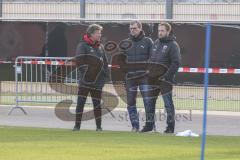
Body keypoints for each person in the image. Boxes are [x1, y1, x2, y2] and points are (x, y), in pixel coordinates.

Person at [73, 24, 109, 131]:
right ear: (92, 33)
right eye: (98, 33)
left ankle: (99, 127)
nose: (100, 35)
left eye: (100, 33)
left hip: (98, 82)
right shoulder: (82, 46)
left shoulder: (100, 47)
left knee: (97, 104)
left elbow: (105, 63)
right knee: (80, 103)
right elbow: (80, 62)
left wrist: (104, 76)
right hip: (85, 81)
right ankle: (77, 126)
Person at [148, 22, 181, 133]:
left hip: (165, 81)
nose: (160, 32)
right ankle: (149, 126)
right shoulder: (156, 43)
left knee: (168, 104)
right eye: (159, 30)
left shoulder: (173, 45)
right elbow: (152, 59)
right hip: (153, 80)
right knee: (150, 103)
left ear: (168, 31)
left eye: (162, 30)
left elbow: (176, 63)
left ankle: (170, 128)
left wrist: (166, 76)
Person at [122, 21, 154, 132]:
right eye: (131, 28)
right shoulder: (125, 43)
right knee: (130, 102)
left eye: (134, 28)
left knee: (148, 102)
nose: (132, 30)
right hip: (130, 78)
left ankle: (149, 125)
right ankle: (135, 126)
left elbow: (153, 58)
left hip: (144, 77)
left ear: (140, 28)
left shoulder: (148, 41)